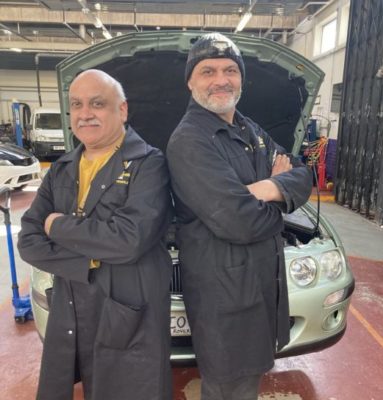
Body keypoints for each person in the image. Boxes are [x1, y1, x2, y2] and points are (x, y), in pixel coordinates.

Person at [166, 33, 313, 400]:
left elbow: (302, 174)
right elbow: (238, 220)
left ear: (242, 80)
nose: (221, 79)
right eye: (208, 71)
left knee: (250, 377)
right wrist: (278, 196)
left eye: (230, 70)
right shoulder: (189, 139)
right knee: (226, 383)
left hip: (260, 282)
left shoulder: (249, 130)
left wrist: (261, 190)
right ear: (190, 81)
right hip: (223, 292)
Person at [18, 69, 173, 400]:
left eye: (97, 103)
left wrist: (56, 226)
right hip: (74, 303)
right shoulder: (61, 168)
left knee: (133, 389)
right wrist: (88, 259)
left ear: (122, 110)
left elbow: (129, 240)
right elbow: (29, 241)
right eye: (76, 104)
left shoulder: (149, 164)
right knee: (91, 387)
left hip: (131, 308)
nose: (85, 113)